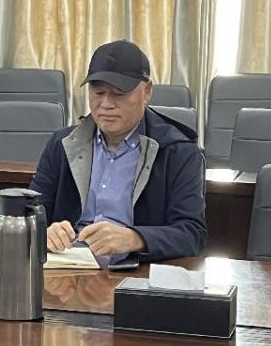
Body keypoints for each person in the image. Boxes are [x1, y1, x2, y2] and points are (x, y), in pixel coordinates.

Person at [29, 39, 206, 263]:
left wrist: (135, 238)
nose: (106, 104)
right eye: (98, 92)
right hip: (68, 269)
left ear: (147, 91)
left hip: (136, 273)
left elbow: (192, 234)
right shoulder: (62, 144)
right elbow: (30, 212)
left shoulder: (178, 152)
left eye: (118, 93)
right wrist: (44, 231)